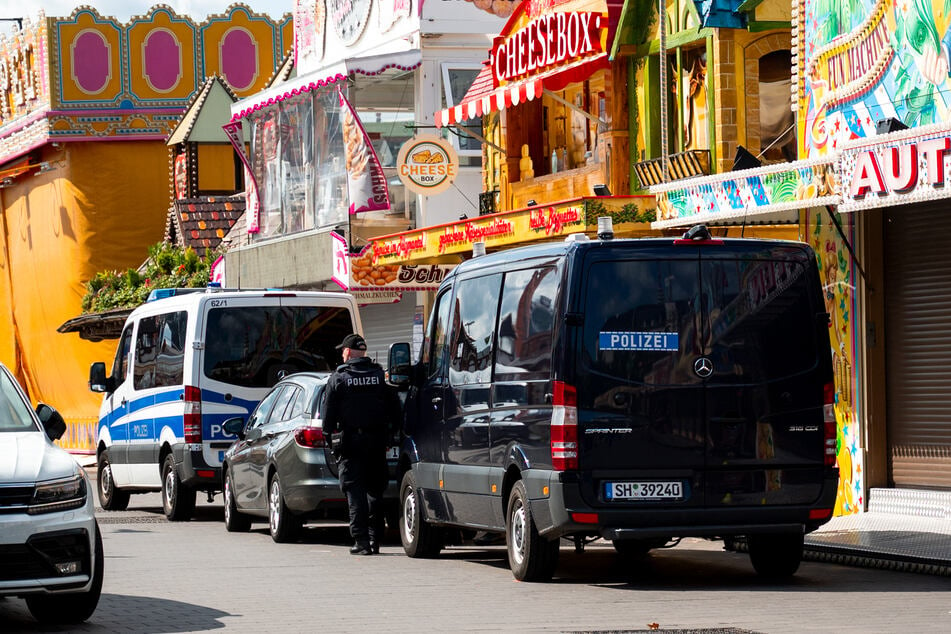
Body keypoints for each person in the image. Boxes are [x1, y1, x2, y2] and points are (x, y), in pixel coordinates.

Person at [320, 333, 402, 555]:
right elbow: (394, 406)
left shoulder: (339, 377)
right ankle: (375, 540)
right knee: (375, 490)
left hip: (350, 443)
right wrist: (392, 434)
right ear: (363, 352)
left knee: (354, 491)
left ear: (347, 352)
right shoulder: (378, 375)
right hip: (377, 441)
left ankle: (362, 541)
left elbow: (327, 414)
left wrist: (329, 439)